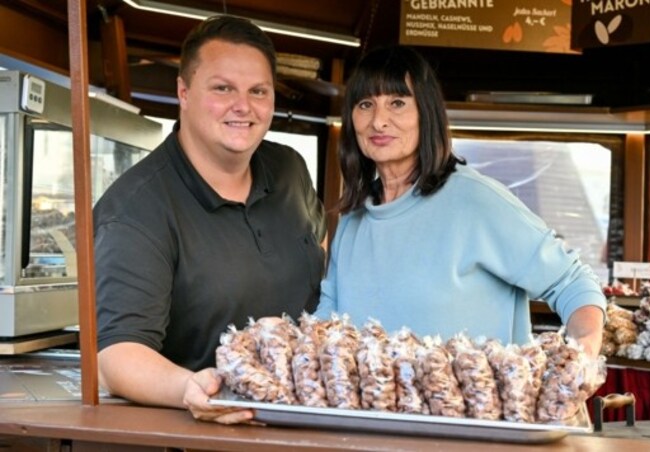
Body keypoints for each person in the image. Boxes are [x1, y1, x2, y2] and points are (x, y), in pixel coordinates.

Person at [93, 15, 325, 424]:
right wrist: (192, 390)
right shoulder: (136, 209)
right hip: (210, 431)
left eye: (258, 91)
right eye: (223, 88)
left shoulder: (289, 168)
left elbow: (320, 254)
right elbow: (117, 356)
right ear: (183, 92)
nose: (243, 106)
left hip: (310, 421)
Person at [315, 46, 606, 357]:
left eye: (397, 103)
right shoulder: (353, 221)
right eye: (365, 104)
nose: (378, 121)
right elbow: (329, 320)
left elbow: (571, 281)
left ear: (426, 114)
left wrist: (582, 354)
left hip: (476, 405)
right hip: (367, 405)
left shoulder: (476, 201)